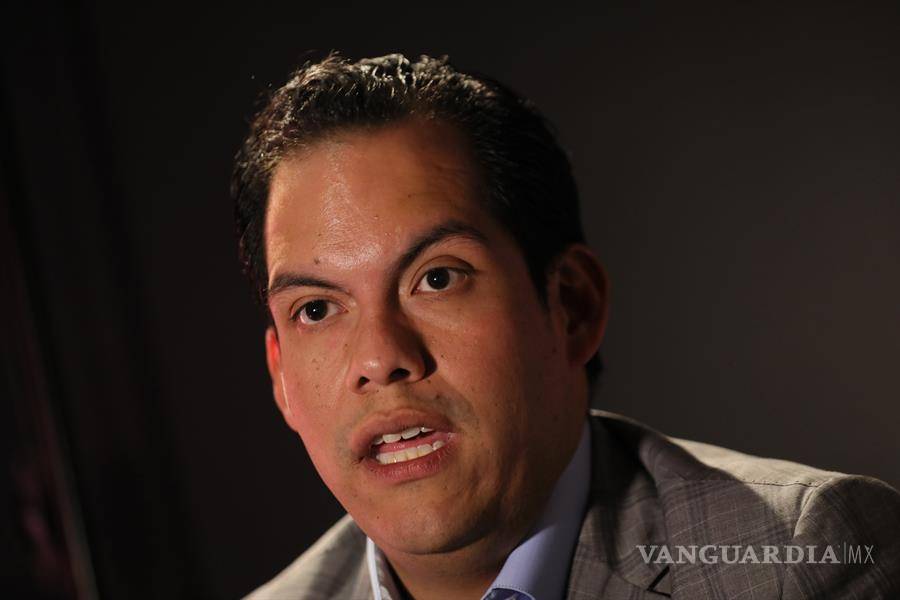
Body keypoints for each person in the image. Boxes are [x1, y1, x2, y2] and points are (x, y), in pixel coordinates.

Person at [232, 53, 900, 599]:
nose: (381, 358)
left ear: (572, 307)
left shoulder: (803, 561)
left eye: (437, 278)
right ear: (281, 378)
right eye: (316, 309)